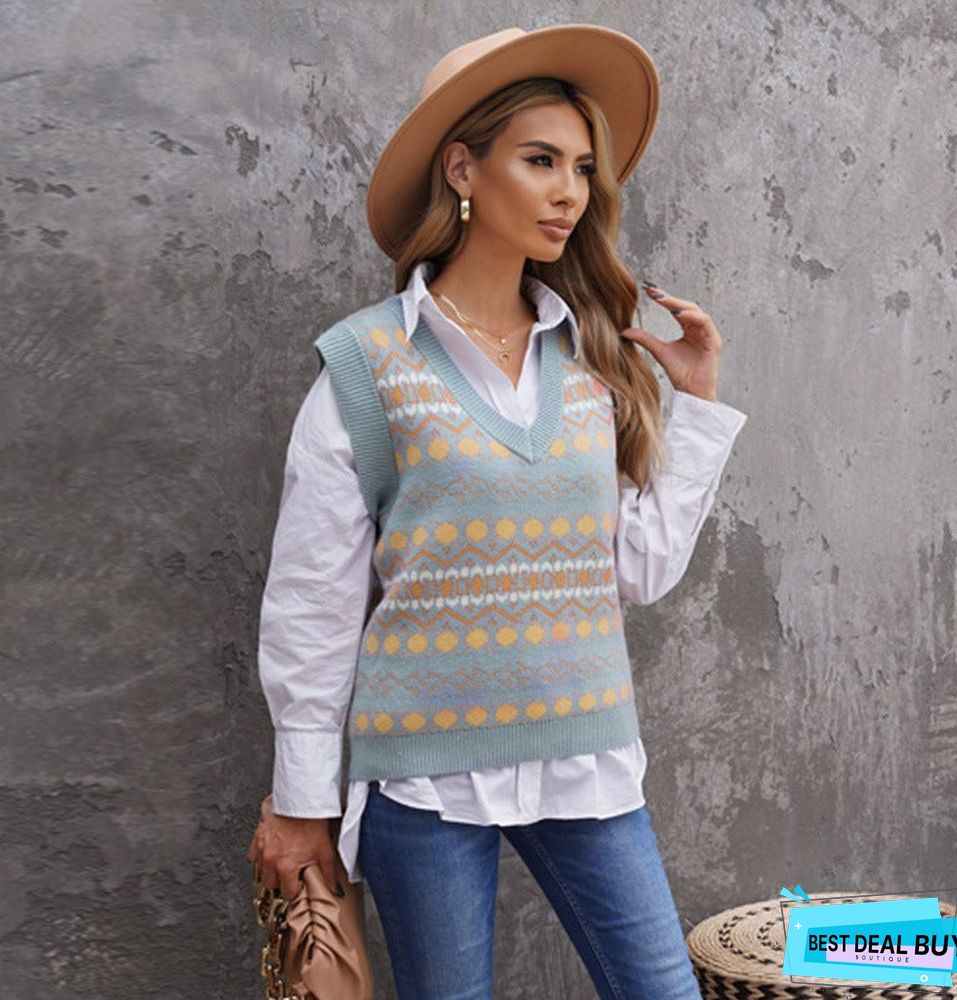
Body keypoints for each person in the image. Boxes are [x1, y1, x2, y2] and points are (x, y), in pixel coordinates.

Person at [247, 24, 748, 1000]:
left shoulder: (593, 363)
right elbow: (311, 605)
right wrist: (303, 801)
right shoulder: (364, 366)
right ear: (462, 168)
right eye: (540, 160)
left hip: (586, 756)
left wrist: (693, 405)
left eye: (582, 168)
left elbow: (637, 571)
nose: (570, 192)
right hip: (421, 781)